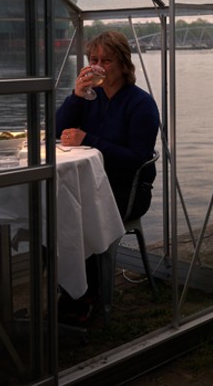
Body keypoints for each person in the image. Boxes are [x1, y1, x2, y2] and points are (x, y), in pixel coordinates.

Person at [55, 30, 160, 325]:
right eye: (93, 59)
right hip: (87, 184)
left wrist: (90, 139)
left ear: (123, 63)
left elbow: (137, 158)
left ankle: (86, 295)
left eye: (106, 60)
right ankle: (70, 287)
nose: (97, 67)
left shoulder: (141, 104)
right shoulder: (90, 97)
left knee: (75, 211)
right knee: (53, 208)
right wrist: (76, 97)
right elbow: (55, 131)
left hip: (128, 189)